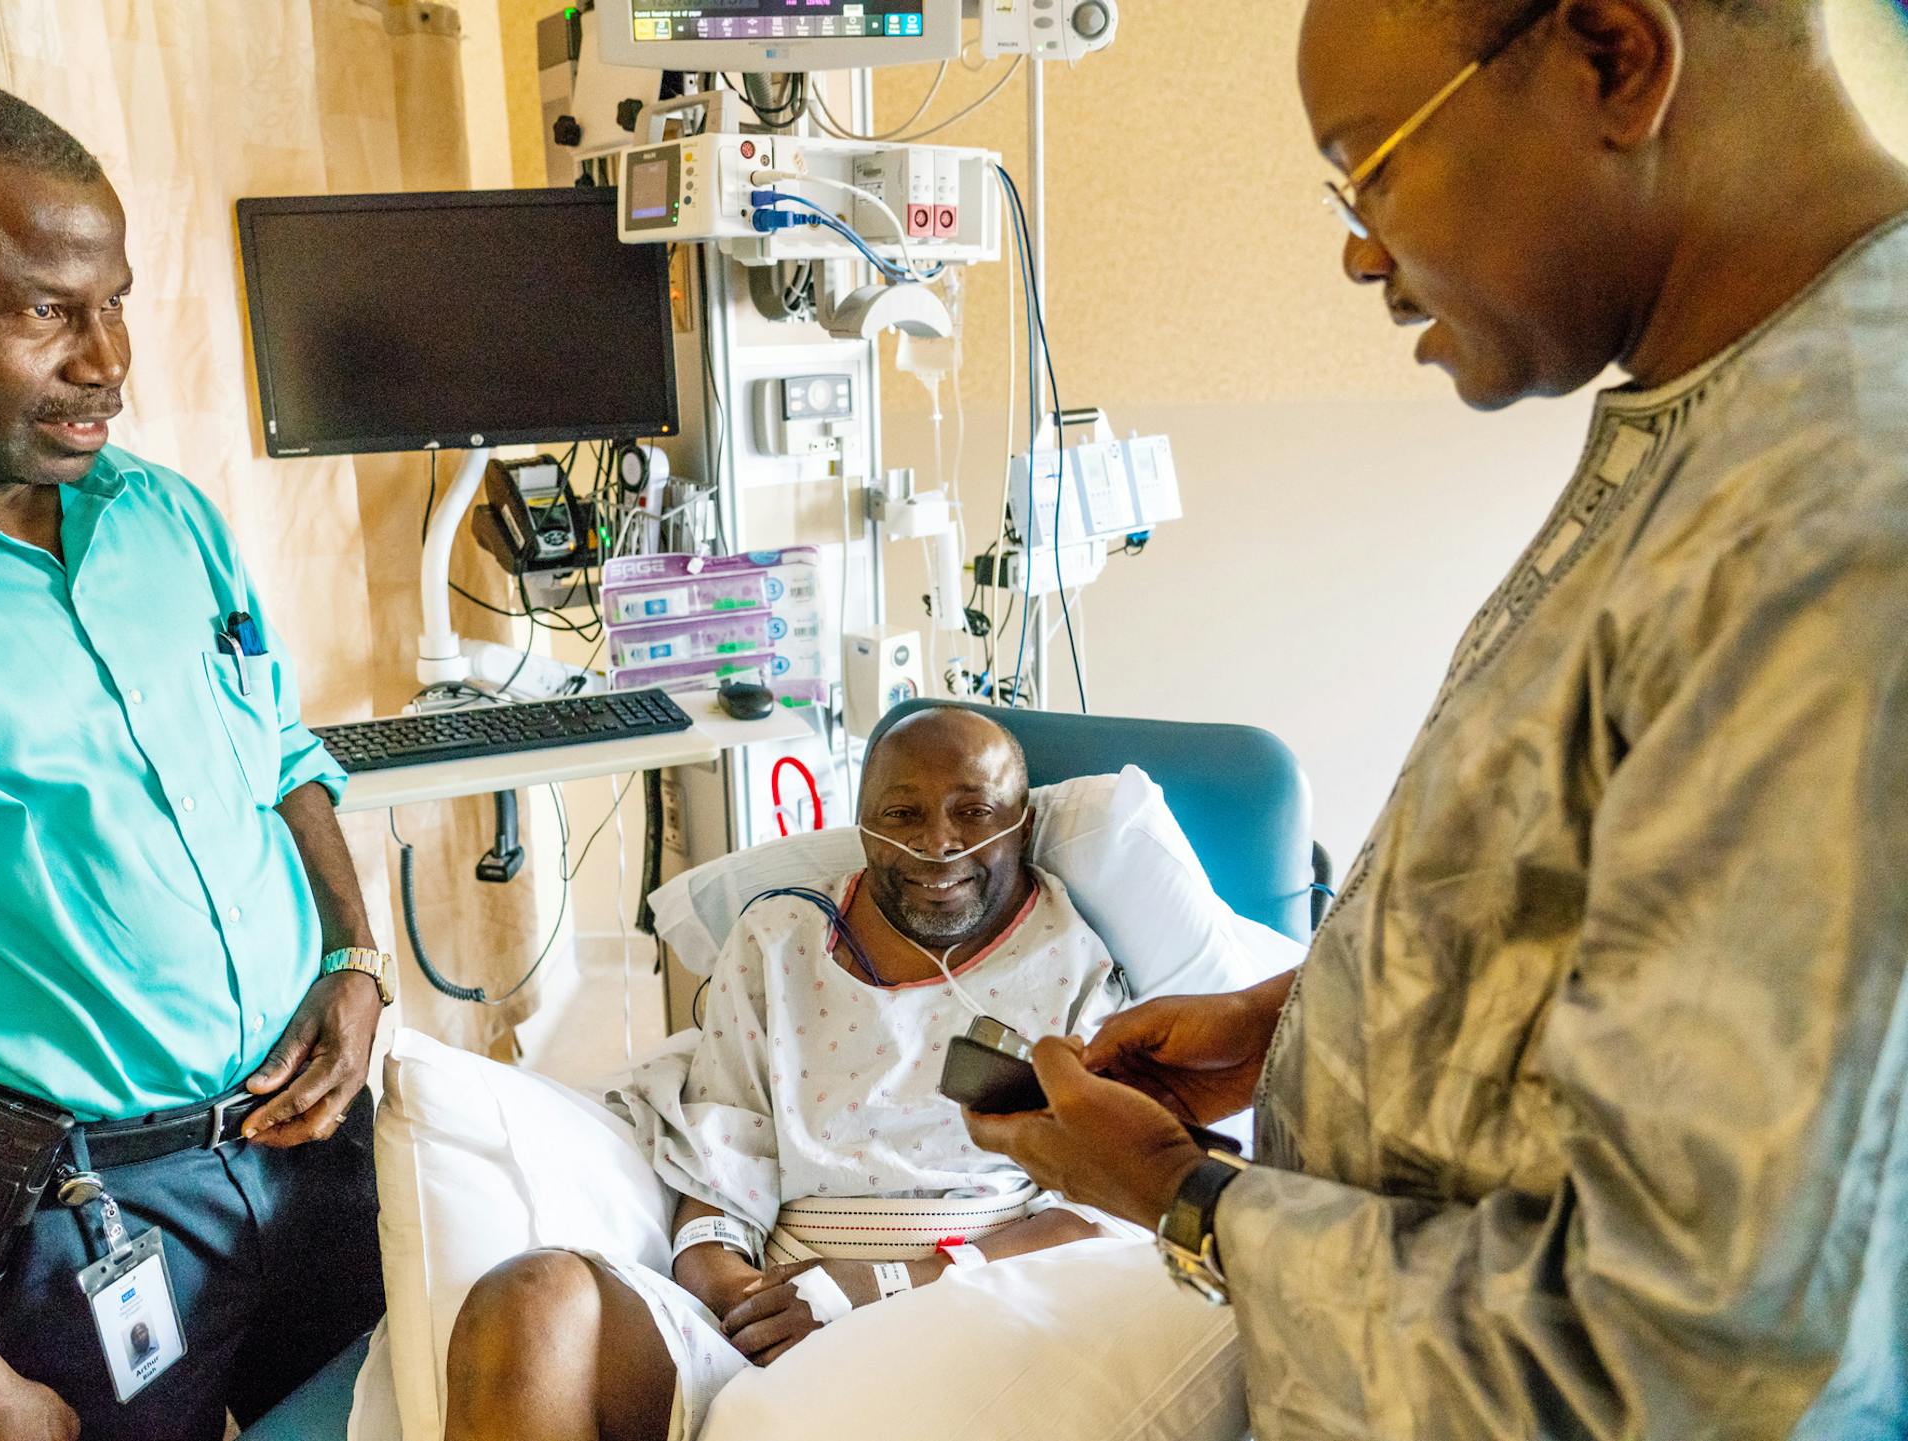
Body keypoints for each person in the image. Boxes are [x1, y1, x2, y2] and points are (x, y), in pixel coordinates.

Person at [968, 1, 1908, 1437]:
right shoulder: (1719, 427)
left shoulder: (1834, 519)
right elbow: (1623, 927)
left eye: (1371, 169)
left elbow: (1681, 1359)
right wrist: (1306, 1021)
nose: (1362, 254)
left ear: (1615, 61)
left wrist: (1183, 1196)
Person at [0, 67, 394, 1441]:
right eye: (46, 311)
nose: (107, 361)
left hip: (314, 1152)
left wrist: (352, 953)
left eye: (115, 304)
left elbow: (282, 752)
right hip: (72, 1223)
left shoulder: (158, 516)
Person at [443, 707, 1141, 1441]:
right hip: (782, 1310)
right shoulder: (778, 942)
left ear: (1022, 824)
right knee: (529, 1301)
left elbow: (1099, 1211)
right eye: (902, 813)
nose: (938, 843)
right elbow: (719, 1175)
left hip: (970, 1301)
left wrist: (878, 1288)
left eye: (975, 812)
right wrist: (743, 1297)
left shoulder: (1073, 966)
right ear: (863, 827)